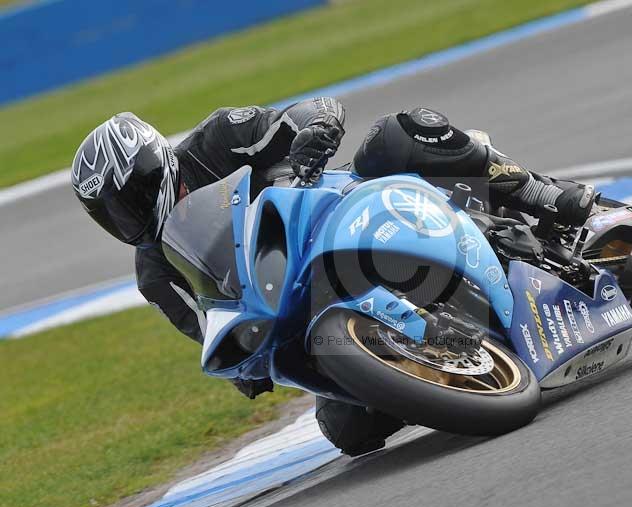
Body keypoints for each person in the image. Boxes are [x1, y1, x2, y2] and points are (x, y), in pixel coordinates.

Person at [71, 100, 595, 456]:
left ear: (155, 164)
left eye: (132, 193)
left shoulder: (219, 137)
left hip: (346, 211)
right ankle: (443, 362)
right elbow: (206, 323)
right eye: (111, 212)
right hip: (300, 305)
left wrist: (313, 136)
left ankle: (536, 192)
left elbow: (318, 111)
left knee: (400, 131)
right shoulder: (155, 274)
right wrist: (242, 370)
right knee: (348, 431)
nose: (128, 214)